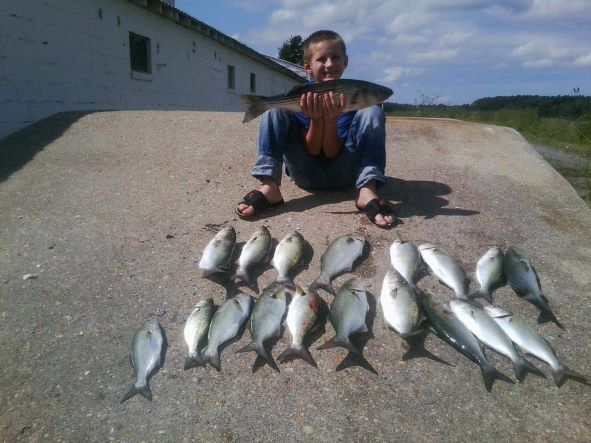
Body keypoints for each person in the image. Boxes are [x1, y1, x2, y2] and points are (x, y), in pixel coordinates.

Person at [236, 30, 395, 228]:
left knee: (373, 112)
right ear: (308, 67)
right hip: (304, 173)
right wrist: (317, 120)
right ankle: (269, 186)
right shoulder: (305, 99)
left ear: (345, 62)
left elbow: (331, 152)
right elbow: (312, 150)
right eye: (321, 59)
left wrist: (331, 120)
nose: (329, 64)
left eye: (335, 57)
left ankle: (368, 188)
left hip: (346, 175)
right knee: (274, 110)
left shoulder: (355, 105)